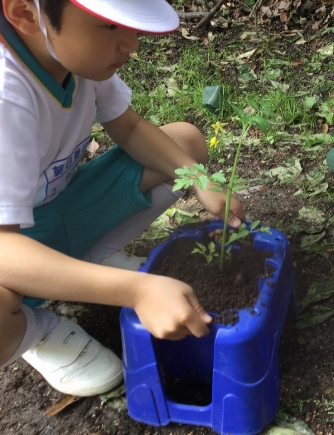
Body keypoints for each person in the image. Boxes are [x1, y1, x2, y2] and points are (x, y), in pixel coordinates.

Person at [0, 0, 245, 397]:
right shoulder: (6, 94)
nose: (131, 44)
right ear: (26, 14)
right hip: (12, 248)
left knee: (184, 144)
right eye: (109, 27)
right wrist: (136, 290)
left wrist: (200, 179)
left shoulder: (76, 61)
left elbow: (129, 129)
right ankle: (37, 329)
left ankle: (91, 257)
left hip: (56, 210)